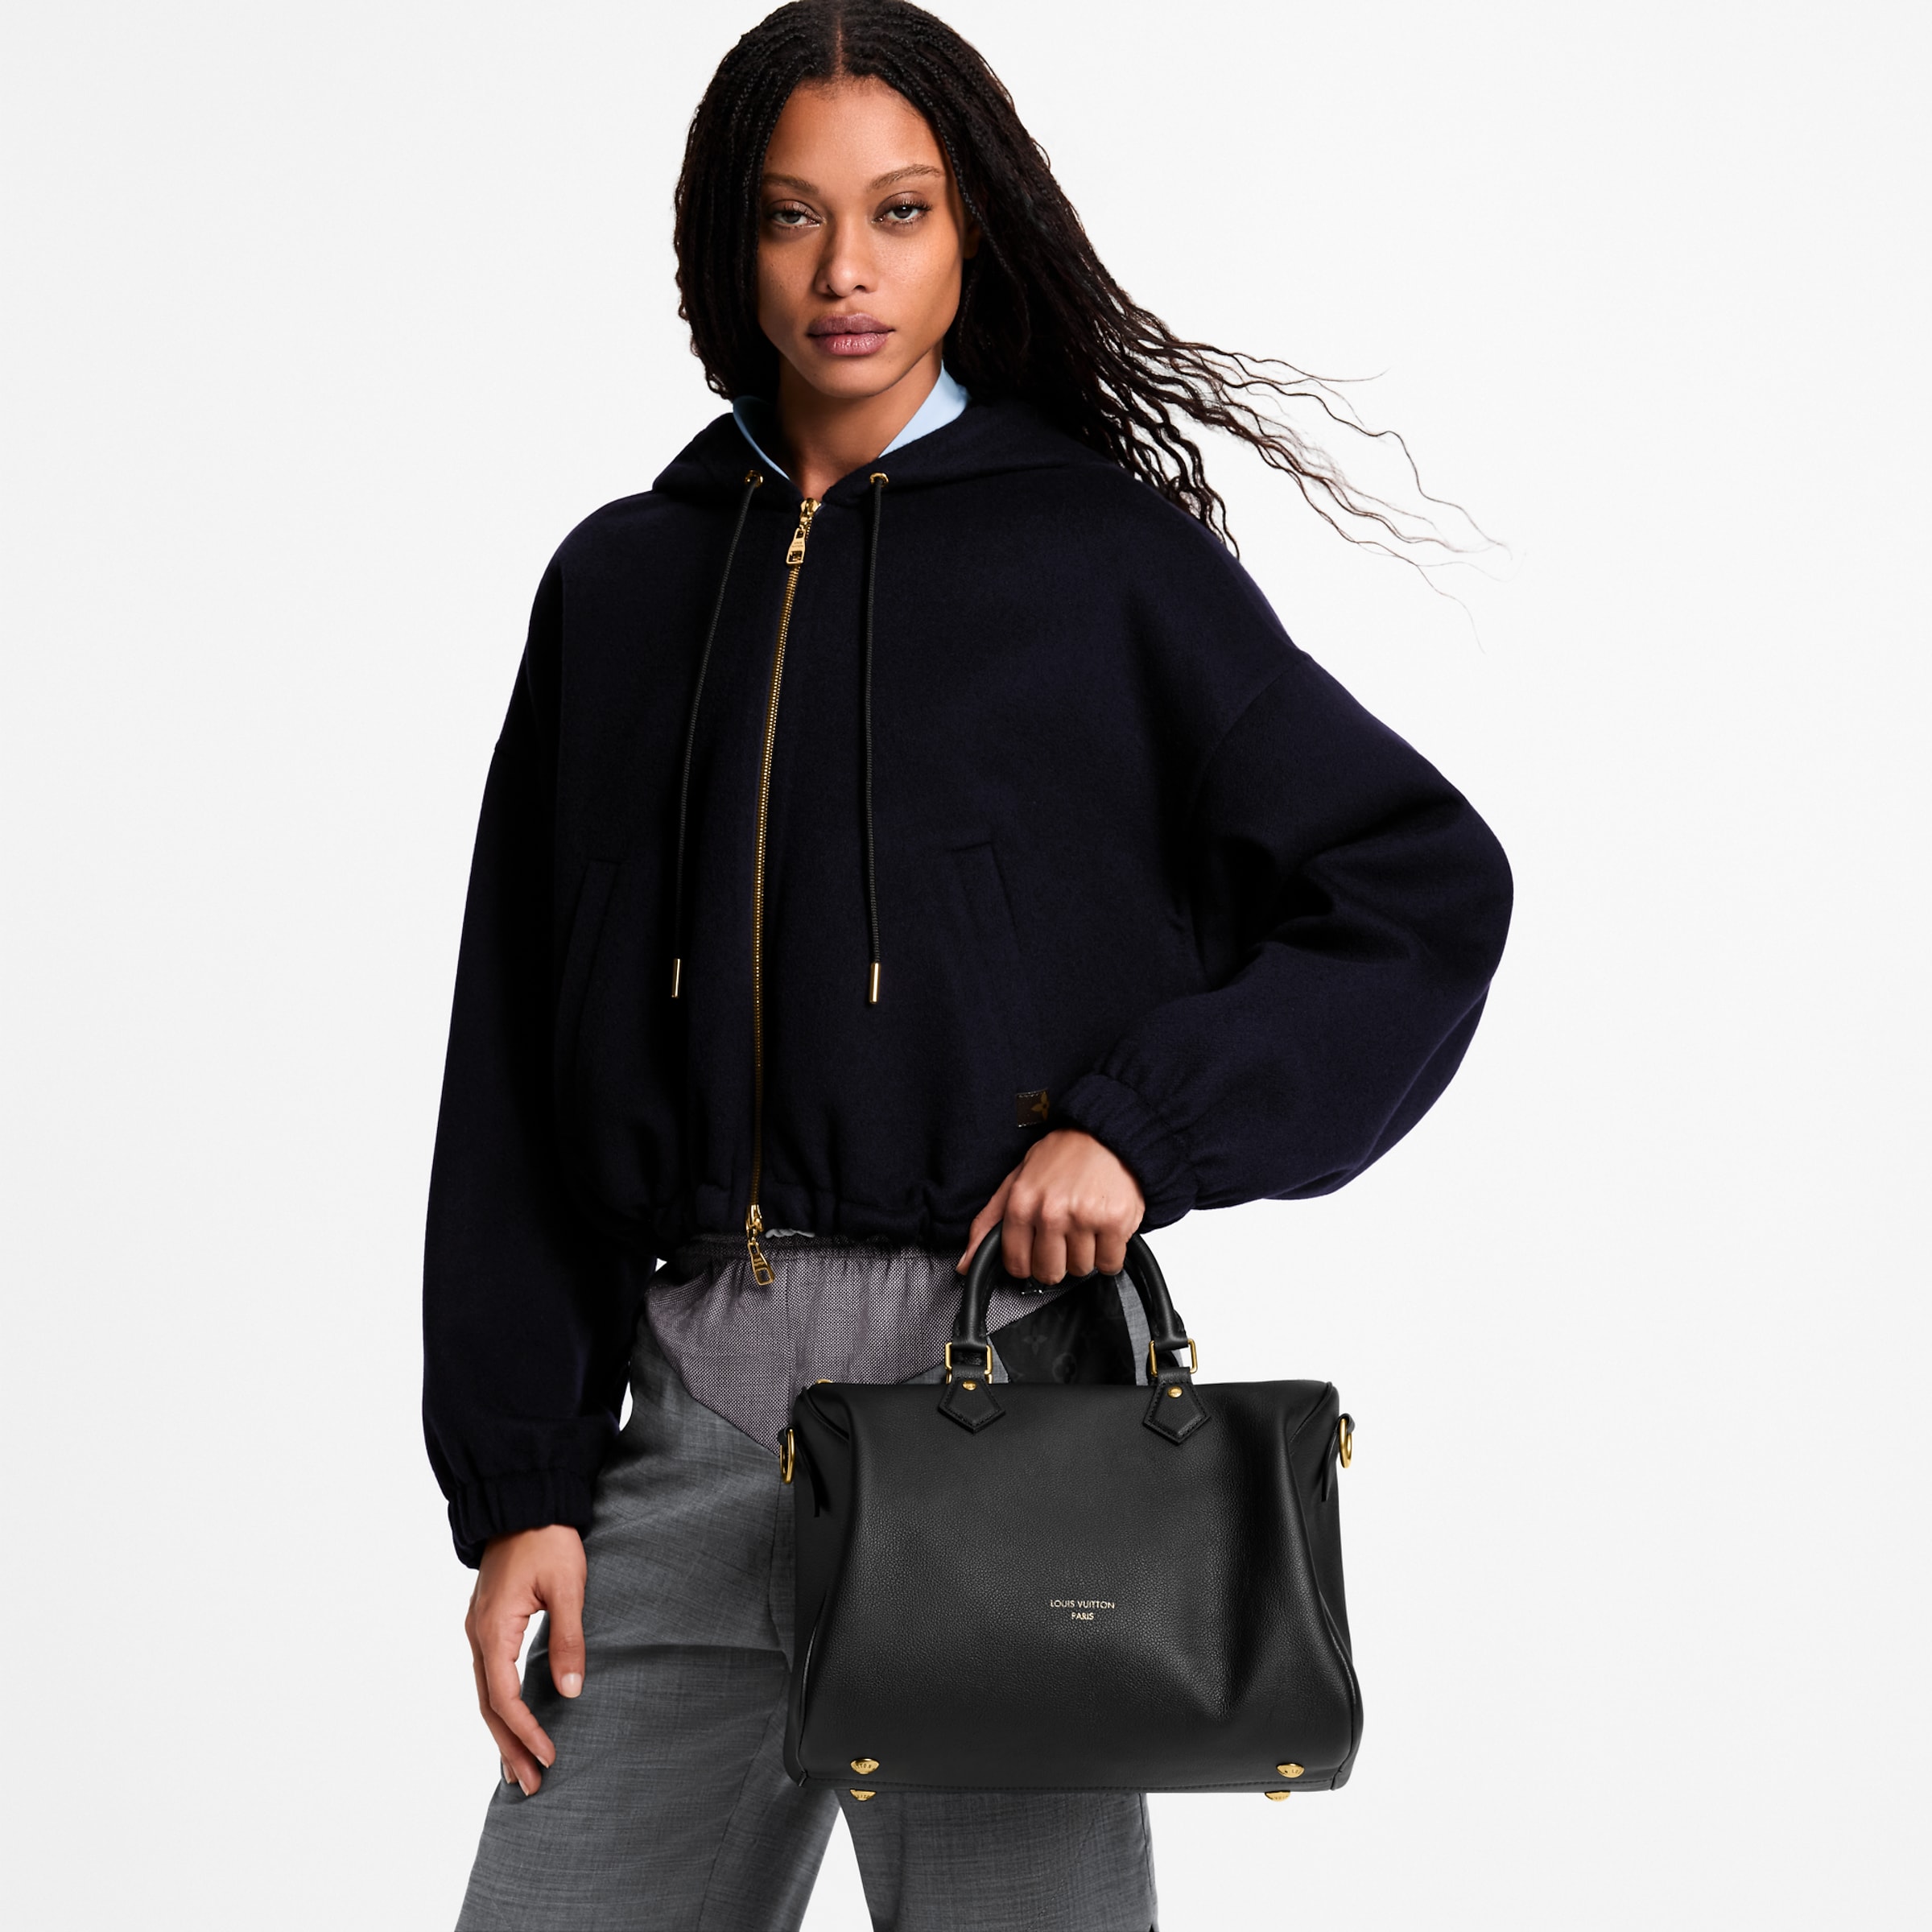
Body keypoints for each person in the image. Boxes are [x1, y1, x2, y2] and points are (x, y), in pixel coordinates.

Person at [423, 2, 1512, 1926]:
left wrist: (1143, 1129)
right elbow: (512, 1055)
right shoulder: (622, 585)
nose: (844, 269)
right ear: (728, 243)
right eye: (793, 215)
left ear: (970, 232)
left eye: (899, 210)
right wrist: (522, 1483)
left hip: (998, 1425)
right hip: (680, 1441)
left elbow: (1417, 884)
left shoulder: (1101, 567)